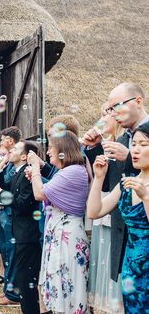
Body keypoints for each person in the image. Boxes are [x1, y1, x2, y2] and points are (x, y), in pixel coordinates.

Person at [83, 83, 147, 286]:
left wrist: (128, 156)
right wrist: (93, 150)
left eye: (116, 107)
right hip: (127, 242)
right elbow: (108, 186)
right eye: (110, 109)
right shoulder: (121, 139)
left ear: (138, 101)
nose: (112, 114)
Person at [87, 121, 149, 313]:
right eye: (134, 144)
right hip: (131, 266)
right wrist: (98, 178)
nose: (136, 150)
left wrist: (146, 197)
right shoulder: (128, 183)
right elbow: (94, 212)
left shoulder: (139, 188)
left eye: (143, 144)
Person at [28, 130, 90, 313]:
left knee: (68, 287)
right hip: (58, 233)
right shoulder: (68, 171)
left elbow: (39, 193)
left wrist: (35, 168)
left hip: (67, 237)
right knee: (59, 285)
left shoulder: (73, 171)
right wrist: (37, 174)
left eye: (52, 148)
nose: (48, 152)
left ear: (63, 150)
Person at [0, 141, 41, 311]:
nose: (11, 151)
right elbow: (6, 188)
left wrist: (0, 194)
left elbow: (22, 204)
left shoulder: (28, 175)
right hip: (19, 231)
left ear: (24, 156)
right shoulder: (18, 172)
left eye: (15, 149)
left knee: (25, 279)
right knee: (22, 278)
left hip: (28, 234)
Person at [87, 103, 125, 312]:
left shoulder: (125, 143)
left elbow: (114, 181)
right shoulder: (109, 143)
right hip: (103, 206)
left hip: (117, 211)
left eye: (106, 114)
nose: (102, 119)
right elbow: (98, 177)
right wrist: (93, 148)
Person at [0, 126, 21, 305]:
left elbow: (8, 183)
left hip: (12, 212)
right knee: (5, 250)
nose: (1, 143)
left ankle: (12, 295)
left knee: (11, 252)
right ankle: (6, 290)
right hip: (5, 209)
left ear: (10, 141)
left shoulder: (15, 158)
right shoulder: (9, 159)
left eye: (3, 139)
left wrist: (2, 165)